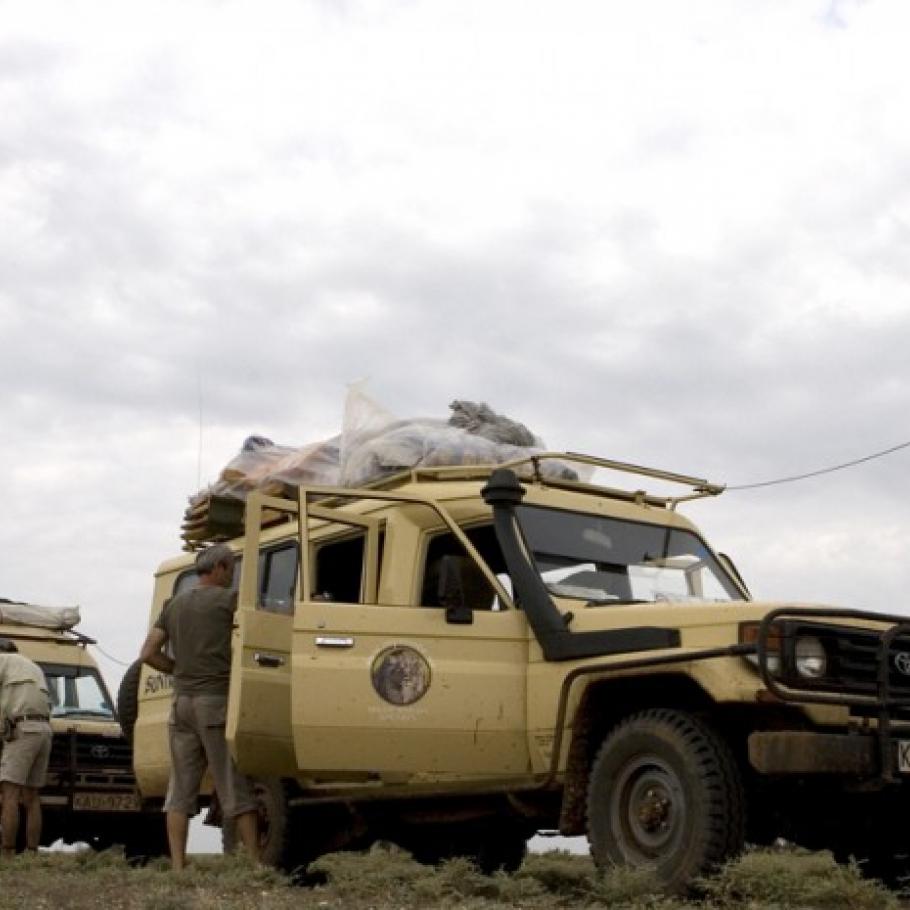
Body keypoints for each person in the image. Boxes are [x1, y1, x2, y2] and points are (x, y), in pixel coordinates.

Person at [139, 543, 259, 870]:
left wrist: (176, 669)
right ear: (219, 567)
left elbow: (148, 652)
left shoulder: (174, 604)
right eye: (231, 568)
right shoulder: (229, 601)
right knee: (234, 785)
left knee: (180, 790)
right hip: (215, 702)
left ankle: (178, 867)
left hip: (181, 705)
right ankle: (255, 865)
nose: (232, 574)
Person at [0, 638, 53, 857]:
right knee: (32, 796)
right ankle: (32, 852)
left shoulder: (2, 660)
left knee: (9, 793)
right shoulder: (33, 666)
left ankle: (7, 853)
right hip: (44, 730)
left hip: (23, 728)